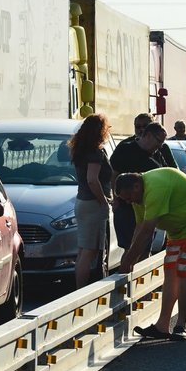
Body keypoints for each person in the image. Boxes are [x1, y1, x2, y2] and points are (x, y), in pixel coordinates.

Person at [115, 168, 186, 342]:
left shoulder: (155, 188)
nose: (128, 202)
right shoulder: (137, 196)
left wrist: (127, 263)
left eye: (128, 197)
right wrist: (128, 258)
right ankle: (162, 326)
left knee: (184, 271)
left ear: (135, 186)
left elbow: (148, 231)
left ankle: (180, 327)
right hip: (178, 229)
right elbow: (139, 228)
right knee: (171, 270)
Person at [67, 114, 113, 289]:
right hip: (93, 203)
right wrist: (104, 201)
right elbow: (92, 179)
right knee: (89, 250)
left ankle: (80, 287)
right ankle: (80, 290)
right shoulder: (95, 152)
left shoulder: (80, 150)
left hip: (82, 202)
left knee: (84, 249)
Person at [110, 122, 169, 252]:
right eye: (158, 141)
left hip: (147, 208)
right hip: (126, 207)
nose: (159, 146)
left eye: (162, 144)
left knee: (145, 245)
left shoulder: (157, 154)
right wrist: (115, 199)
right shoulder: (125, 149)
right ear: (147, 135)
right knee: (130, 246)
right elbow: (114, 175)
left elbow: (165, 172)